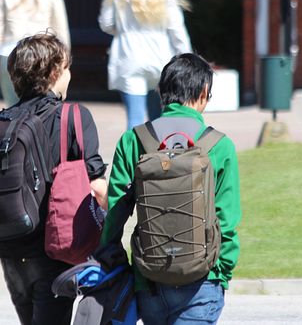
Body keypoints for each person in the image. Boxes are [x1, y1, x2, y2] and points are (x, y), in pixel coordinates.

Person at [100, 53, 241, 324]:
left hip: (149, 282)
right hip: (202, 282)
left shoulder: (133, 140)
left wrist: (117, 262)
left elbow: (114, 214)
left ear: (162, 93)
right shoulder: (220, 146)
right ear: (203, 93)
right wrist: (221, 275)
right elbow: (227, 221)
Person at [0, 33, 107, 325]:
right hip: (53, 253)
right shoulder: (73, 116)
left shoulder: (1, 122)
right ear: (56, 71)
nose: (70, 75)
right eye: (68, 68)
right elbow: (95, 183)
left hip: (9, 253)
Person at [99, 0, 192, 130]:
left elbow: (106, 23)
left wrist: (123, 30)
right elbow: (176, 27)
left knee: (135, 118)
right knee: (159, 118)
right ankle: (160, 158)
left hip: (128, 56)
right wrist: (187, 57)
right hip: (160, 57)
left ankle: (133, 159)